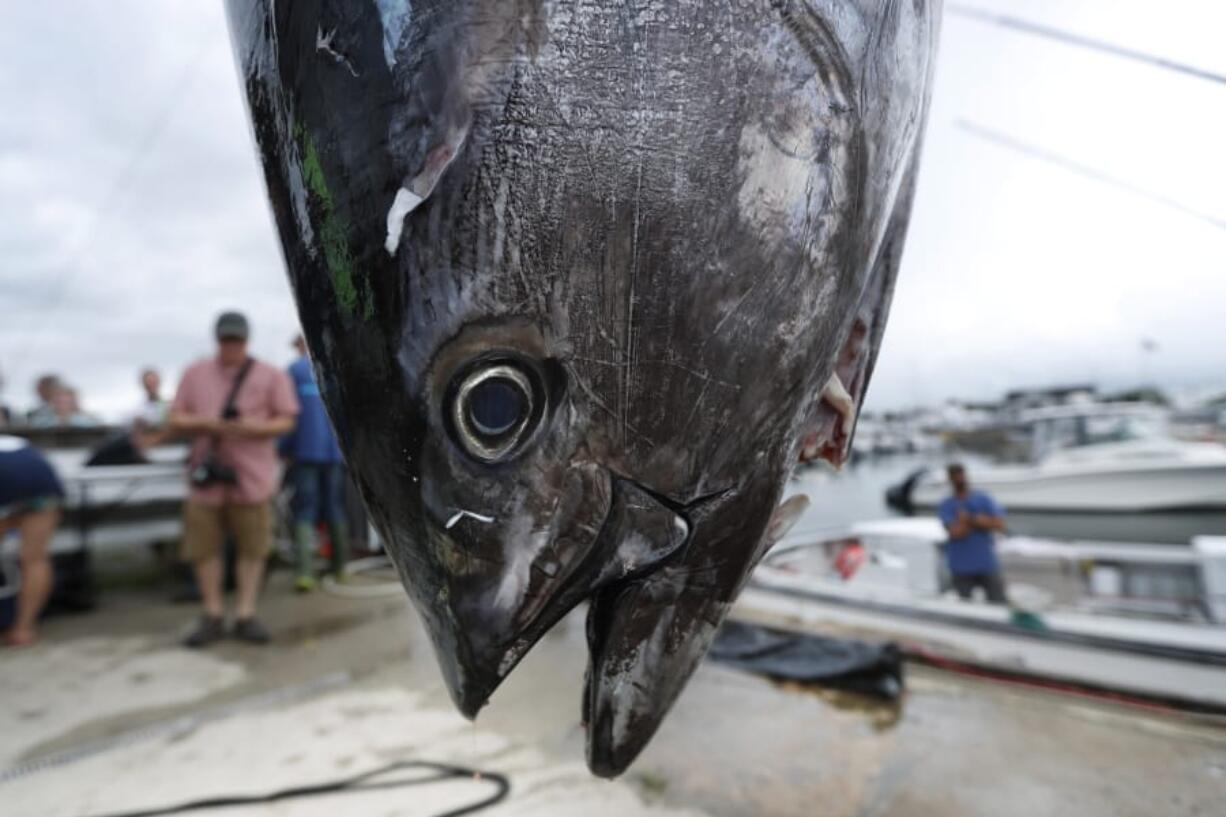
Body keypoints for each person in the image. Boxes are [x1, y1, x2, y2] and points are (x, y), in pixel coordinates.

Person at [169, 311, 299, 647]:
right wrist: (208, 424)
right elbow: (175, 417)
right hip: (204, 478)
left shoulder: (270, 374)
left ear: (246, 339)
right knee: (204, 549)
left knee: (252, 549)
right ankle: (212, 613)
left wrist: (255, 428)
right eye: (226, 339)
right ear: (217, 339)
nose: (231, 345)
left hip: (251, 476)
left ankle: (245, 613)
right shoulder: (195, 373)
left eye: (236, 339)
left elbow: (286, 419)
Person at [281, 335, 350, 591]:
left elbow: (287, 415)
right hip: (335, 453)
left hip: (304, 452)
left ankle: (305, 573)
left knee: (305, 510)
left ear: (299, 345)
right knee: (335, 507)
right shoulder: (335, 366)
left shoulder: (292, 371)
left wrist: (283, 448)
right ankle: (340, 568)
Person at [0, 434, 64, 646]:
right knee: (35, 559)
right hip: (40, 479)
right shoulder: (17, 442)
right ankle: (23, 629)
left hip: (10, 478)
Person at [937, 463, 1009, 604]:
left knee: (998, 602)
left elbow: (999, 524)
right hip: (961, 566)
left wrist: (968, 519)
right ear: (950, 480)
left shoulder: (983, 498)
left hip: (986, 563)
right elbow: (956, 533)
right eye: (955, 477)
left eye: (961, 475)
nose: (959, 480)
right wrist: (982, 521)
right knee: (966, 605)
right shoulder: (946, 504)